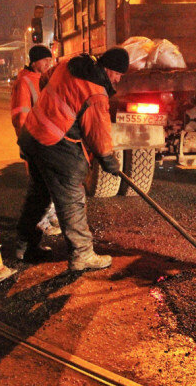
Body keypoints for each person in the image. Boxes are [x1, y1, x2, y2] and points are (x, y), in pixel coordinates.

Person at [16, 47, 130, 271]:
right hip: (53, 142)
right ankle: (82, 255)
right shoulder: (96, 93)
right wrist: (108, 159)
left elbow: (45, 79)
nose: (118, 79)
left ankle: (24, 246)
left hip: (32, 134)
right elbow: (99, 133)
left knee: (39, 195)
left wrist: (56, 108)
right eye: (118, 74)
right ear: (108, 69)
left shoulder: (71, 63)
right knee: (71, 199)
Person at [10, 45, 61, 253]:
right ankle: (39, 227)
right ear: (34, 62)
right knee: (39, 187)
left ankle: (47, 220)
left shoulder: (42, 80)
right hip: (35, 142)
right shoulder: (24, 82)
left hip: (46, 142)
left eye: (51, 59)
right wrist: (26, 143)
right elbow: (21, 116)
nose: (49, 63)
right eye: (45, 60)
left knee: (46, 183)